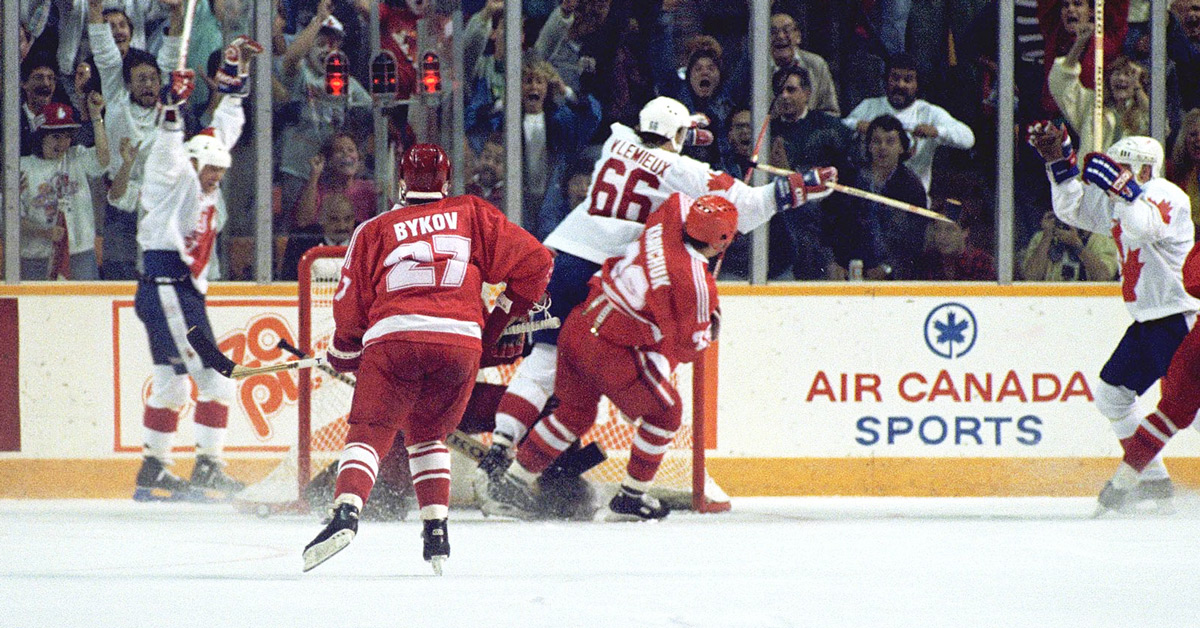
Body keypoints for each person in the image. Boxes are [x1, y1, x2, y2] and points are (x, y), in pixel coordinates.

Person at [478, 95, 837, 487]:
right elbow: (748, 207)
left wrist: (691, 129)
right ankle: (624, 470)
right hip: (602, 273)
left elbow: (653, 135)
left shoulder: (617, 138)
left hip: (560, 256)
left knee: (545, 359)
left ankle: (500, 445)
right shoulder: (684, 170)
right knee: (638, 375)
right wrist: (801, 186)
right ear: (676, 136)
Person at [301, 144, 553, 575]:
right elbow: (537, 262)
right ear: (448, 183)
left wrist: (344, 352)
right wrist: (491, 327)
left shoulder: (375, 229)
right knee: (428, 433)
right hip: (460, 344)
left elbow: (349, 305)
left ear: (401, 183)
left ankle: (346, 512)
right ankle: (436, 530)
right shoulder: (471, 212)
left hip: (394, 338)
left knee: (371, 430)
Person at [482, 194, 735, 521]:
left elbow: (680, 198)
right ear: (721, 242)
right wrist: (707, 326)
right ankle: (630, 498)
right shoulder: (697, 284)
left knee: (574, 415)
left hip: (579, 323)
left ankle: (512, 484)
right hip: (608, 347)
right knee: (667, 414)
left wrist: (720, 192)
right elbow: (688, 348)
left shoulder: (669, 217)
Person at [1031, 122, 1198, 510]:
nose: (1113, 173)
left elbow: (1141, 228)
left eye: (1121, 166)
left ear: (1142, 169)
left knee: (1192, 414)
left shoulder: (1166, 196)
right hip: (1147, 321)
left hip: (1180, 318)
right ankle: (1154, 480)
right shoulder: (1122, 198)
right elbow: (1073, 209)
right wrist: (1059, 162)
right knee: (1111, 395)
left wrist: (1124, 193)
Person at [131, 35, 262, 502]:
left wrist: (233, 74)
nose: (215, 181)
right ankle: (208, 466)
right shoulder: (173, 173)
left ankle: (153, 471)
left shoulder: (208, 158)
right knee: (217, 381)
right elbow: (169, 145)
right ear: (195, 162)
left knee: (171, 383)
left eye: (220, 175)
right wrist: (171, 106)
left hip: (172, 290)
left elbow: (226, 126)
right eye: (212, 173)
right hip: (168, 289)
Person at [1098, 241, 1200, 512]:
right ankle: (1153, 481)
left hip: (1174, 318)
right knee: (1116, 396)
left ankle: (1149, 481)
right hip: (1156, 319)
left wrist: (1121, 482)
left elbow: (1193, 281)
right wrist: (1123, 480)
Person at [842, 53, 976, 197]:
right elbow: (838, 129)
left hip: (913, 200)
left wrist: (936, 131)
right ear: (886, 81)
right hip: (871, 196)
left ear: (917, 85)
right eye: (895, 78)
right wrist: (857, 125)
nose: (900, 85)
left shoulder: (929, 112)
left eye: (908, 80)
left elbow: (968, 139)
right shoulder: (869, 106)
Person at [823, 114, 928, 281]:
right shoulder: (850, 178)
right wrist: (832, 262)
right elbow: (829, 222)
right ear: (869, 146)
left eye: (890, 141)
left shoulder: (911, 187)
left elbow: (915, 238)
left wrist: (888, 267)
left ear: (902, 147)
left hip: (891, 273)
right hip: (846, 267)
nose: (883, 147)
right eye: (876, 141)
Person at [19, 98, 110, 280]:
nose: (62, 144)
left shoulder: (76, 157)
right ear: (39, 136)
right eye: (55, 137)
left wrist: (96, 117)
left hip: (80, 253)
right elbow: (9, 217)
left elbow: (103, 160)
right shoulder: (22, 168)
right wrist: (43, 232)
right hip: (37, 257)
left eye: (67, 136)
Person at [1019, 210, 1119, 281]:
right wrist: (1047, 237)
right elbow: (1031, 277)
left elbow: (1104, 277)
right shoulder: (1042, 238)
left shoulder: (1102, 240)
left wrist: (1077, 246)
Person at [277, 193, 357, 280]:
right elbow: (289, 281)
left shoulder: (365, 246)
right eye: (334, 219)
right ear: (322, 220)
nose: (342, 226)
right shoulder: (300, 245)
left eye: (348, 219)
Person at [913, 199, 996, 280]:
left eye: (950, 229)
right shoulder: (928, 262)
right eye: (937, 229)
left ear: (965, 232)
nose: (942, 236)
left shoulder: (982, 263)